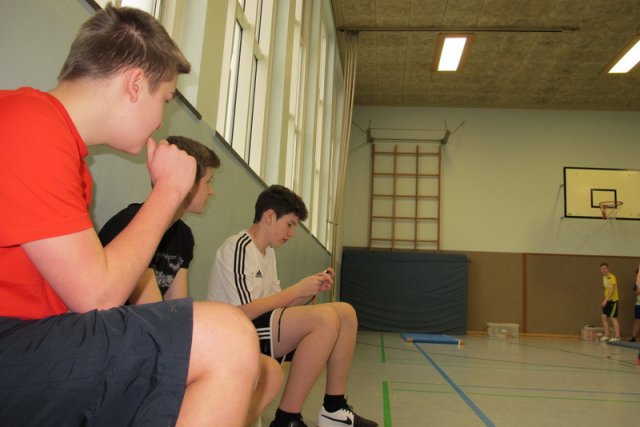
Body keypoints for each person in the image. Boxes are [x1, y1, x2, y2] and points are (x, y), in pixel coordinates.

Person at [0, 6, 260, 426]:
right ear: (136, 84)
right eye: (166, 99)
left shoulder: (57, 146)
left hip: (29, 340)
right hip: (12, 343)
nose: (161, 119)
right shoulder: (31, 125)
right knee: (226, 338)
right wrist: (170, 190)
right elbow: (97, 296)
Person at [98, 135, 283, 426]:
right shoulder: (131, 223)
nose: (211, 191)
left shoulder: (183, 236)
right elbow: (156, 314)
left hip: (156, 332)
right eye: (208, 181)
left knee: (270, 372)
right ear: (186, 181)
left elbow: (179, 306)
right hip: (118, 341)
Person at [208, 185, 378, 427]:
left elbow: (278, 308)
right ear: (269, 216)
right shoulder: (238, 247)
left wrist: (309, 290)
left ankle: (334, 408)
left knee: (345, 313)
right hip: (234, 332)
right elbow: (243, 311)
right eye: (289, 224)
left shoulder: (268, 254)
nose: (291, 233)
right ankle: (287, 419)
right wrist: (297, 290)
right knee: (324, 319)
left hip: (259, 328)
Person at [599, 263, 621, 342]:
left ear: (608, 269)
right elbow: (606, 290)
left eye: (605, 268)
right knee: (604, 317)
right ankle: (607, 335)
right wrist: (605, 299)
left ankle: (617, 337)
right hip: (607, 300)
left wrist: (605, 300)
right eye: (602, 269)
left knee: (613, 318)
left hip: (613, 301)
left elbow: (611, 290)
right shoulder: (604, 278)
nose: (603, 270)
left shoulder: (612, 277)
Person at [631, 267, 640, 342]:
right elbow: (635, 292)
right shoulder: (637, 283)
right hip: (638, 304)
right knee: (637, 320)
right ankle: (633, 337)